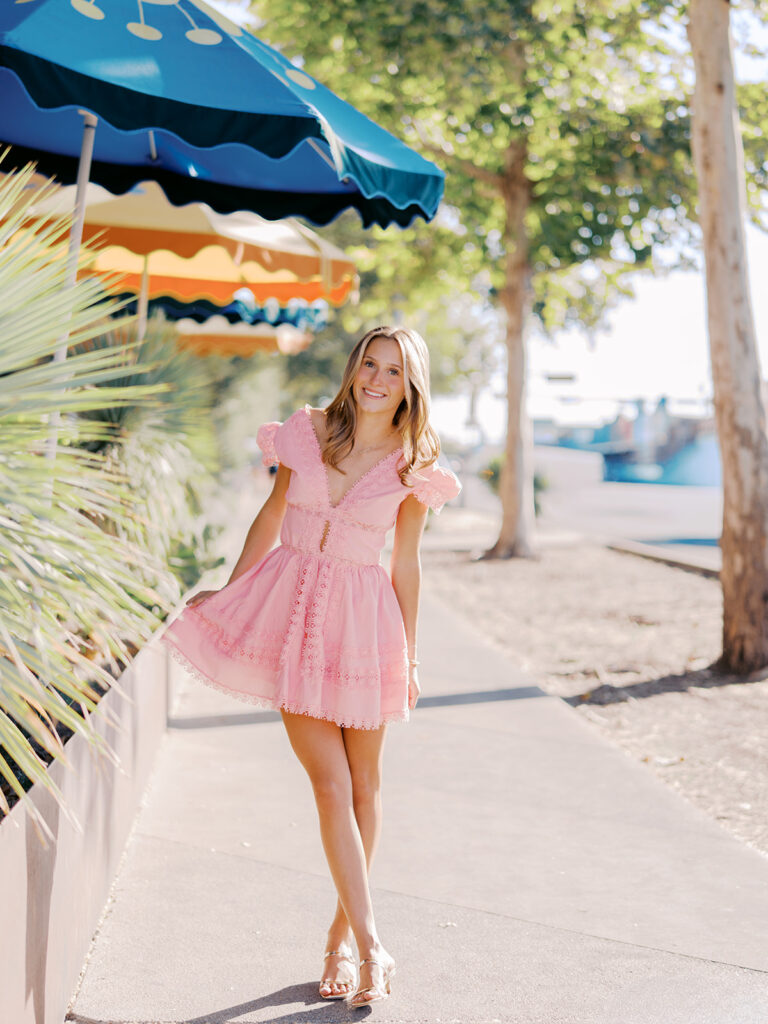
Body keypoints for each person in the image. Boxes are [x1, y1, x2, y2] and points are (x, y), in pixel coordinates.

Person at [163, 325, 461, 1007]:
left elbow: (406, 564)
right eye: (369, 365)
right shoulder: (307, 431)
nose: (377, 380)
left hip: (366, 624)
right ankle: (375, 944)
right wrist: (231, 586)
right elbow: (271, 516)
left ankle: (341, 939)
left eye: (392, 371)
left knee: (364, 787)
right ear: (353, 369)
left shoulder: (416, 464)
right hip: (291, 615)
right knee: (329, 785)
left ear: (411, 385)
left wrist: (410, 654)